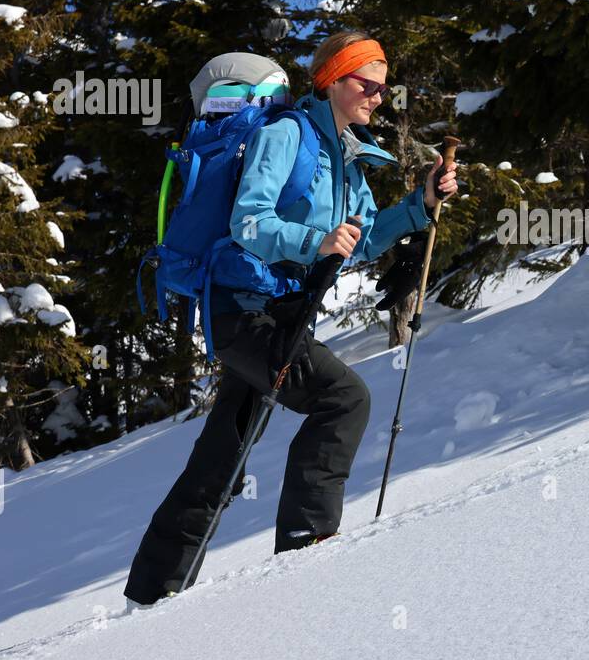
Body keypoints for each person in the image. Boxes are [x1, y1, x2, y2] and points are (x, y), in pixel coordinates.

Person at [124, 32, 458, 607]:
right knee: (343, 399)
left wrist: (418, 206)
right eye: (366, 83)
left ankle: (153, 589)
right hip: (242, 311)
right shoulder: (285, 136)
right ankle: (308, 547)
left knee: (224, 450)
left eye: (382, 88)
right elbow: (248, 223)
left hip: (281, 312)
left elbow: (358, 240)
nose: (378, 96)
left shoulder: (348, 158)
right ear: (332, 79)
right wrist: (314, 239)